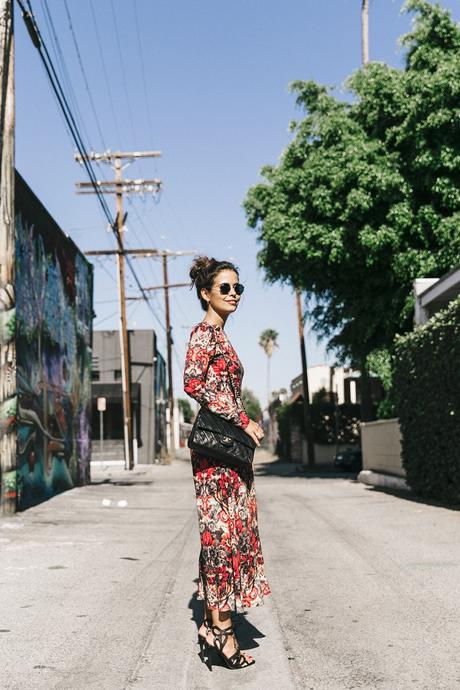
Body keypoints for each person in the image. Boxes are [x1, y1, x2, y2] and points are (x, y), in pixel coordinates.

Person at [183, 255, 271, 670]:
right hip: (215, 453)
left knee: (227, 534)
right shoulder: (204, 334)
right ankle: (222, 631)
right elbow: (192, 382)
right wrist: (243, 419)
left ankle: (213, 620)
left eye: (238, 288)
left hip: (228, 452)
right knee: (220, 536)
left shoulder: (222, 337)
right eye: (225, 288)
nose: (233, 294)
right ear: (206, 293)